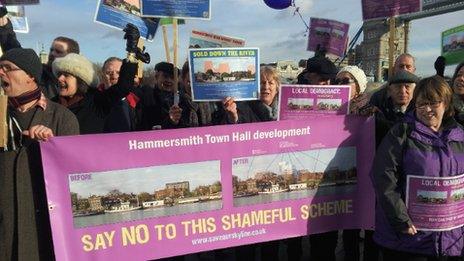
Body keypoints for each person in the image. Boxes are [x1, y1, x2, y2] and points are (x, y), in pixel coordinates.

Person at [372, 75, 464, 261]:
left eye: (433, 103)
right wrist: (401, 220)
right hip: (408, 238)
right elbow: (384, 177)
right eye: (421, 104)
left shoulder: (460, 136)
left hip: (449, 237)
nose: (427, 109)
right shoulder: (401, 132)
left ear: (445, 103)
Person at [0, 48, 79, 260]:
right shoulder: (1, 115)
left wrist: (53, 147)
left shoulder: (62, 118)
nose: (1, 73)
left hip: (42, 229)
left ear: (30, 76)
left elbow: (75, 176)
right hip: (5, 226)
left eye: (8, 68)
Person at [0, 6, 80, 99]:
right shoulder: (40, 73)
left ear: (72, 57)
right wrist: (3, 25)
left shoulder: (84, 89)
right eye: (51, 50)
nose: (52, 54)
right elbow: (14, 50)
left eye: (58, 51)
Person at [373, 70, 420, 146]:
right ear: (389, 91)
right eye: (398, 87)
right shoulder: (378, 110)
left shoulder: (421, 113)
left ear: (414, 91)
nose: (402, 91)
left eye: (407, 87)